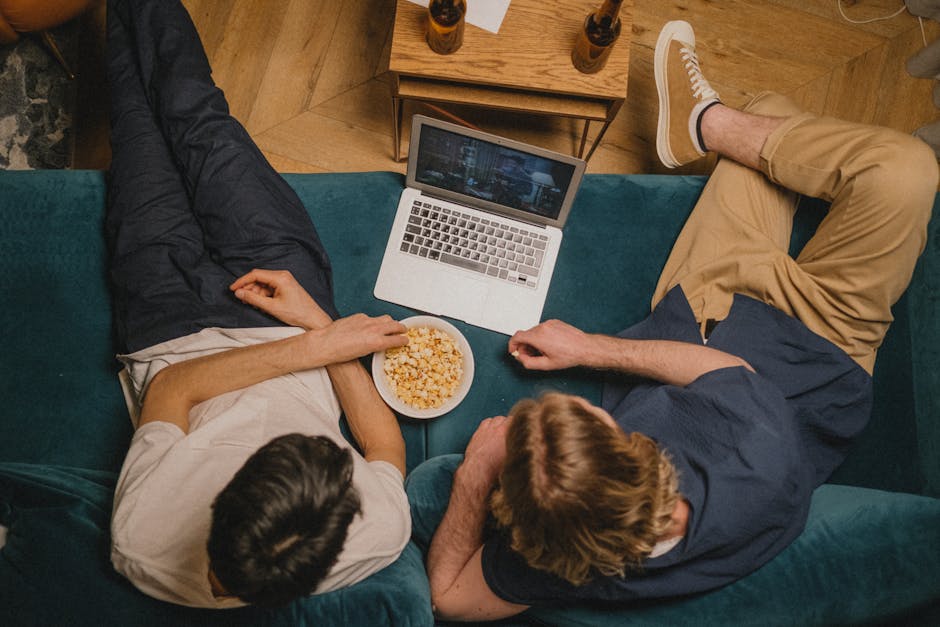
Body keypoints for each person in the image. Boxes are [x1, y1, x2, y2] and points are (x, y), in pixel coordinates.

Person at [416, 20, 939, 622]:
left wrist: (475, 474)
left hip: (720, 325)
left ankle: (725, 126)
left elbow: (445, 599)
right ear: (634, 450)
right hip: (816, 346)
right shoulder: (755, 457)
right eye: (589, 414)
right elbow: (725, 368)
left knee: (771, 119)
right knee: (906, 168)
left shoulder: (564, 557)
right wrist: (590, 350)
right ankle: (709, 122)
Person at [105, 0, 412, 609]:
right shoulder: (381, 532)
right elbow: (385, 450)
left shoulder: (141, 540)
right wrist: (317, 325)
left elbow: (171, 389)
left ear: (218, 499)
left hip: (166, 327)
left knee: (136, 126)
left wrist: (314, 347)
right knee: (198, 119)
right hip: (292, 307)